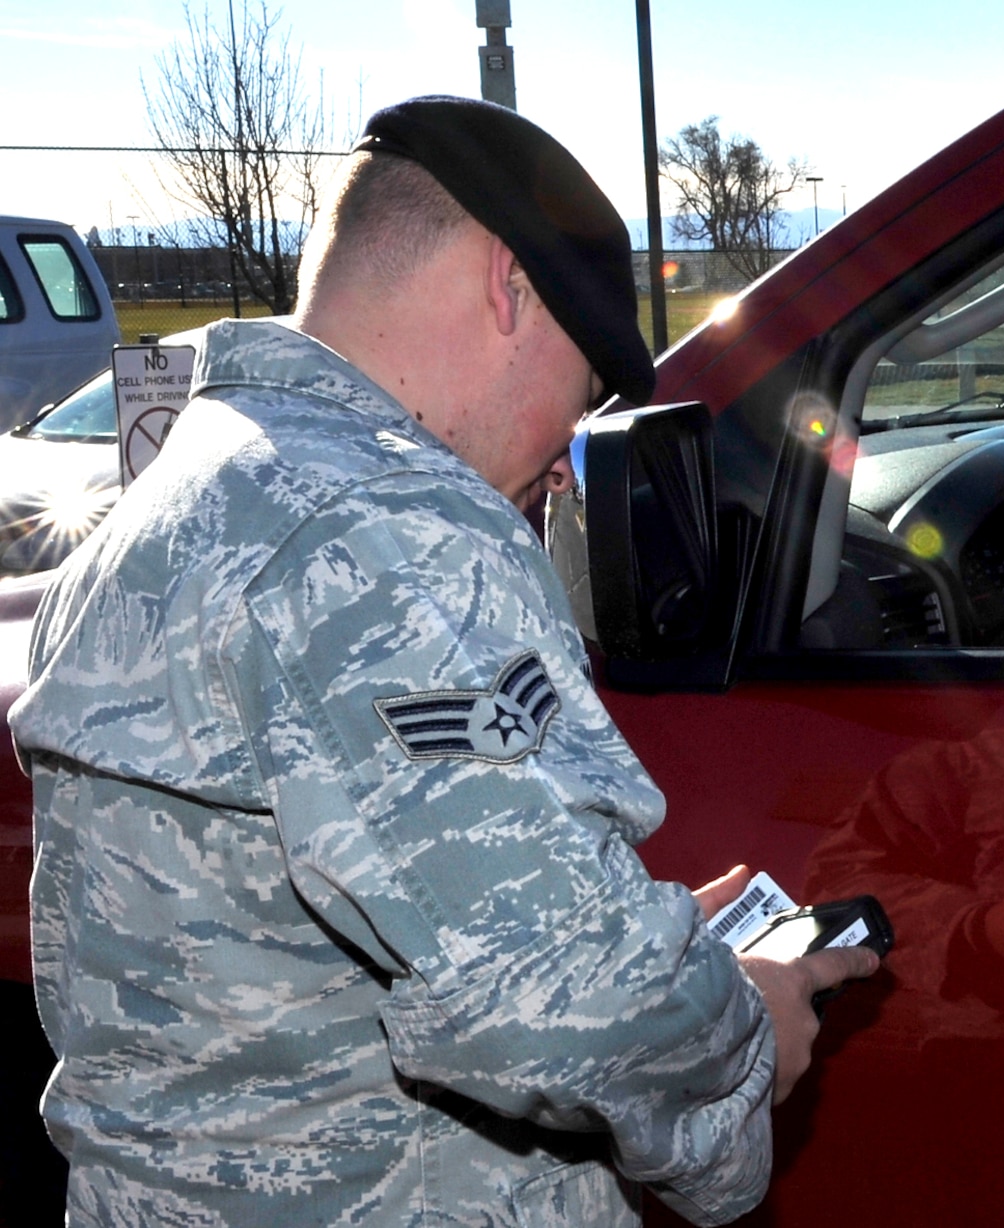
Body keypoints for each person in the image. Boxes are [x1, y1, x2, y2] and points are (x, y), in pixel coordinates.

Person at [8, 96, 876, 1226]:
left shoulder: (192, 484)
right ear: (508, 287)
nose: (566, 462)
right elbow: (566, 1000)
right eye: (585, 386)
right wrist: (742, 1026)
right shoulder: (392, 525)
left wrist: (627, 923)